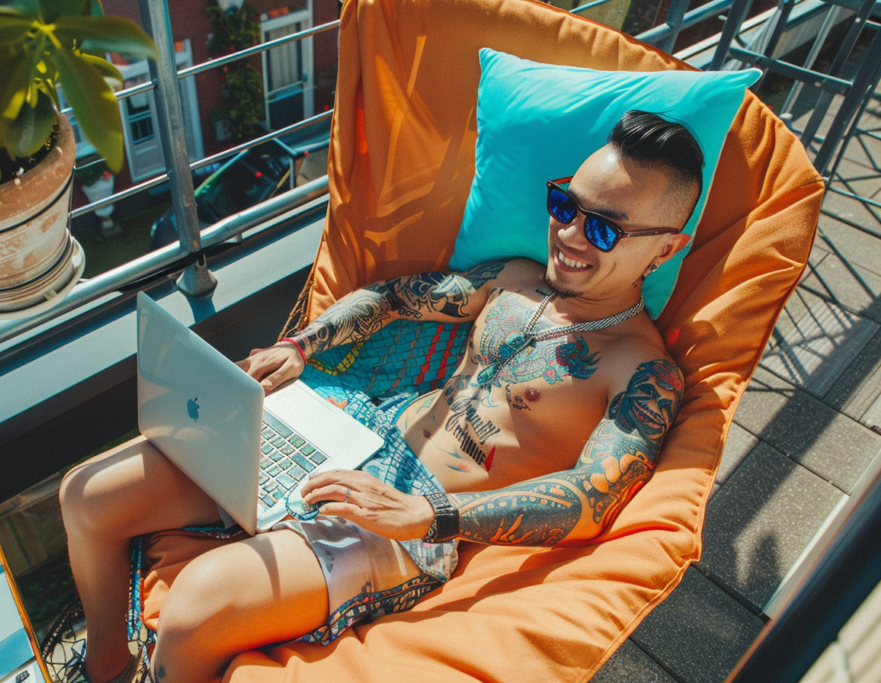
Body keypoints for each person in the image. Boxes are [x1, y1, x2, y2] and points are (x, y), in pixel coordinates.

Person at [59, 110, 702, 683]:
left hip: (418, 523)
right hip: (361, 430)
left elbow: (589, 500)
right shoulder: (515, 280)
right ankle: (106, 669)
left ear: (666, 249)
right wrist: (302, 346)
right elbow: (398, 298)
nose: (570, 235)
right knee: (88, 495)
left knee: (198, 604)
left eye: (606, 230)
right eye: (566, 206)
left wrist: (426, 516)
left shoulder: (643, 372)